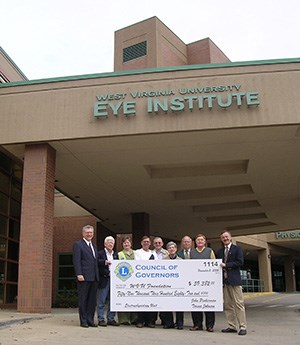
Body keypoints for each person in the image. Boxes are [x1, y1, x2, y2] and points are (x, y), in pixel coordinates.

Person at [216, 231, 247, 336]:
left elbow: (240, 262)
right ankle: (232, 326)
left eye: (226, 236)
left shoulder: (237, 249)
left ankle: (242, 326)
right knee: (228, 305)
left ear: (230, 237)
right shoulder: (219, 252)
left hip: (235, 281)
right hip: (225, 282)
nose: (225, 238)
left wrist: (227, 265)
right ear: (221, 239)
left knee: (239, 304)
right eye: (223, 237)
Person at [73, 225, 99, 328]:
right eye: (87, 232)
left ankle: (90, 320)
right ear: (83, 233)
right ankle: (83, 321)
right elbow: (76, 260)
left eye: (91, 232)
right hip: (83, 277)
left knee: (92, 301)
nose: (89, 234)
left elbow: (95, 261)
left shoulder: (94, 246)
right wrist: (79, 273)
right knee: (83, 300)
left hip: (94, 277)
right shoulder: (78, 245)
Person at [189, 233, 215, 332]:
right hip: (195, 282)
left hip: (208, 282)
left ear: (205, 242)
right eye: (198, 240)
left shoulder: (210, 251)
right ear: (195, 242)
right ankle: (197, 324)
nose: (200, 241)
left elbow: (213, 265)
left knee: (208, 304)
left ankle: (210, 325)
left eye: (201, 240)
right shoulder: (192, 252)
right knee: (195, 304)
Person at [134, 235, 156, 328]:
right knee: (141, 301)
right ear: (141, 243)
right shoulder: (138, 252)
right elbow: (138, 263)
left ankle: (149, 321)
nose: (146, 243)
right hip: (141, 280)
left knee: (150, 302)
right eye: (144, 241)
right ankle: (140, 321)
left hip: (152, 281)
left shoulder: (153, 253)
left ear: (150, 243)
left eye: (148, 241)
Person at [97, 236, 119, 327]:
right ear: (105, 244)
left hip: (114, 281)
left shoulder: (115, 254)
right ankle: (101, 319)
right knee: (101, 300)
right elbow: (97, 264)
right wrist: (105, 263)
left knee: (113, 301)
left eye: (112, 243)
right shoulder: (100, 253)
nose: (110, 244)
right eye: (109, 242)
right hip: (104, 279)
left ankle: (111, 318)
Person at [162, 241, 184, 330]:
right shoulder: (163, 261)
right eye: (169, 248)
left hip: (178, 285)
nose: (171, 249)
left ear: (176, 249)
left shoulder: (181, 261)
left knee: (179, 305)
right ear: (167, 250)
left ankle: (179, 323)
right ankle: (169, 323)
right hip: (167, 285)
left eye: (173, 247)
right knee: (167, 305)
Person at [117, 236, 138, 325]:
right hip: (123, 280)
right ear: (122, 244)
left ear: (131, 243)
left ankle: (134, 318)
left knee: (134, 300)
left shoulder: (136, 253)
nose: (126, 244)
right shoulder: (119, 254)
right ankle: (123, 319)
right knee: (123, 299)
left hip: (135, 280)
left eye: (128, 242)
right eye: (125, 243)